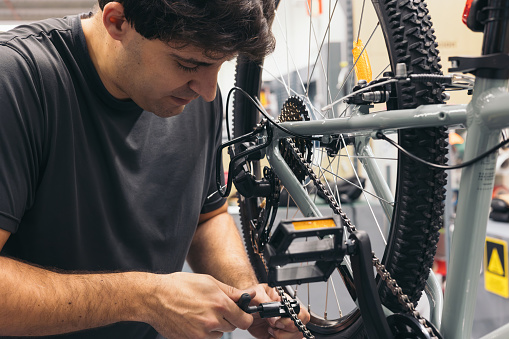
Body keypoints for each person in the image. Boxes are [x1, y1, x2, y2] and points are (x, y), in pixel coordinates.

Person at [0, 1, 310, 338]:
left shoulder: (193, 97)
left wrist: (249, 297)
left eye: (220, 65)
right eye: (187, 64)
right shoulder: (17, 80)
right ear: (117, 22)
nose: (207, 92)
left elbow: (207, 217)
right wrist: (146, 298)